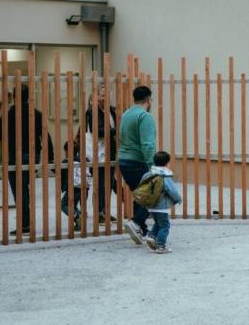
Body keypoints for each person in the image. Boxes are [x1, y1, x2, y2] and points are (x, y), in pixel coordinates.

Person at [0, 84, 53, 236]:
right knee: (24, 189)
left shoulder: (9, 115)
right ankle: (26, 223)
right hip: (32, 157)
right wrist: (51, 160)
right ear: (29, 97)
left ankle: (25, 224)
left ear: (15, 96)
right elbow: (46, 137)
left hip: (15, 158)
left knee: (19, 191)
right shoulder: (36, 114)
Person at [118, 85, 156, 244]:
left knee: (140, 194)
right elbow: (147, 144)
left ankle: (141, 230)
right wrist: (153, 166)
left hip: (124, 162)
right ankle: (136, 222)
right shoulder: (144, 116)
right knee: (152, 193)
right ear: (148, 100)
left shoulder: (126, 114)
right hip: (138, 161)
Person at [75, 88, 118, 223]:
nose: (105, 97)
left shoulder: (111, 110)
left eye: (107, 94)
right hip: (97, 153)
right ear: (97, 97)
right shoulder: (92, 111)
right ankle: (98, 212)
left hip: (109, 152)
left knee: (108, 183)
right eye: (102, 95)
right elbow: (97, 131)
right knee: (100, 183)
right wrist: (115, 130)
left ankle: (103, 211)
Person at [142, 151, 181, 254]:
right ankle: (161, 246)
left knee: (158, 223)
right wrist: (178, 199)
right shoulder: (165, 176)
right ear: (166, 163)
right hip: (161, 206)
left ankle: (151, 237)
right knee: (165, 226)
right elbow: (172, 191)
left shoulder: (148, 174)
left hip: (150, 205)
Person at [59, 142, 92, 232]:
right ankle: (79, 223)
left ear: (66, 151)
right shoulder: (86, 160)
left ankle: (78, 217)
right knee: (74, 205)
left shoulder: (66, 161)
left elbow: (61, 174)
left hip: (72, 188)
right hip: (84, 187)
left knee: (64, 205)